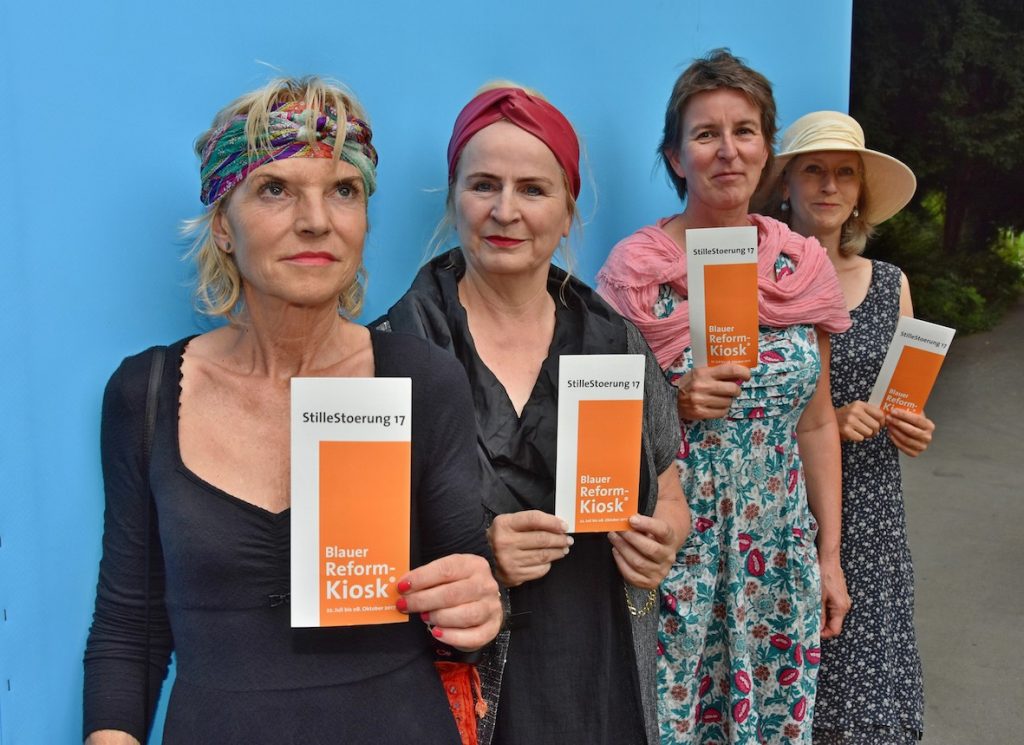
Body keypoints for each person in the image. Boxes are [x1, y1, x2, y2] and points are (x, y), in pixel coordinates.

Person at [82, 76, 502, 745]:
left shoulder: (423, 380)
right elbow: (128, 626)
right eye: (275, 189)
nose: (316, 220)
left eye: (344, 190)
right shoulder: (147, 393)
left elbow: (464, 603)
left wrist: (478, 606)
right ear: (223, 225)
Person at [378, 83, 691, 745]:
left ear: (569, 209)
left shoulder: (617, 344)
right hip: (454, 687)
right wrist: (476, 552)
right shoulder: (391, 350)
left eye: (533, 189)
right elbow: (354, 556)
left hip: (598, 676)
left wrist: (664, 537)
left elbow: (670, 492)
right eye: (483, 185)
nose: (505, 210)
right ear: (453, 197)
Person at [597, 50, 854, 744]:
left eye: (744, 131)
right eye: (705, 134)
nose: (727, 150)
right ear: (676, 156)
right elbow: (597, 426)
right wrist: (670, 402)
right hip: (675, 550)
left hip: (778, 553)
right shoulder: (636, 273)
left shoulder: (800, 266)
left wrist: (829, 557)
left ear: (766, 149)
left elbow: (816, 423)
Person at [757, 110, 930, 745]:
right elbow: (748, 403)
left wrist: (911, 426)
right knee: (786, 694)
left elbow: (906, 396)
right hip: (781, 504)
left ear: (860, 193)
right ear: (785, 185)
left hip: (873, 514)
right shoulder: (757, 283)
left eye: (845, 174)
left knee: (873, 701)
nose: (830, 186)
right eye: (814, 170)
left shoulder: (890, 284)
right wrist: (829, 414)